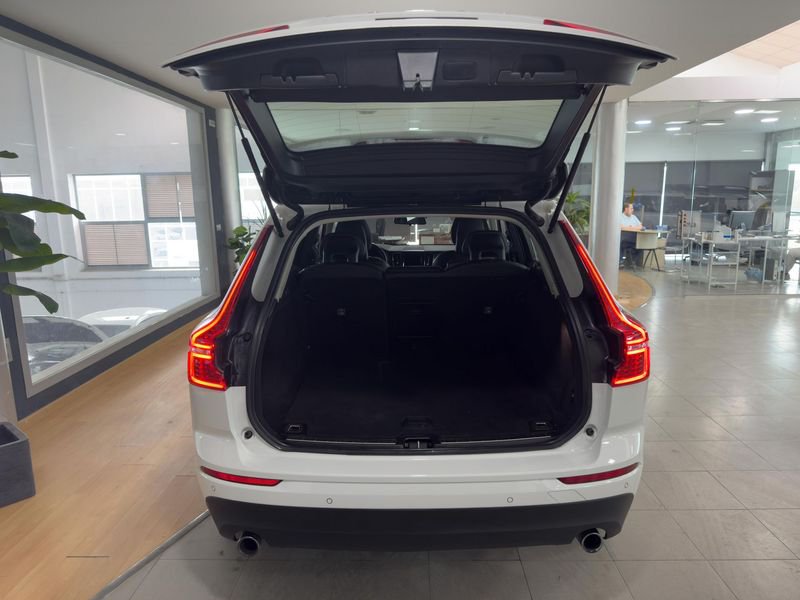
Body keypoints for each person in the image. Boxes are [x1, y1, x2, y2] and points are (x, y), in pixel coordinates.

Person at [620, 203, 643, 267]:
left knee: (641, 244)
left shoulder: (634, 217)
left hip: (634, 239)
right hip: (624, 239)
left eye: (633, 208)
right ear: (626, 209)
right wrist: (634, 227)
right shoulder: (620, 216)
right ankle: (620, 261)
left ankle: (633, 261)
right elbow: (621, 227)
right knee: (620, 243)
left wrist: (630, 227)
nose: (633, 210)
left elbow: (640, 226)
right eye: (631, 208)